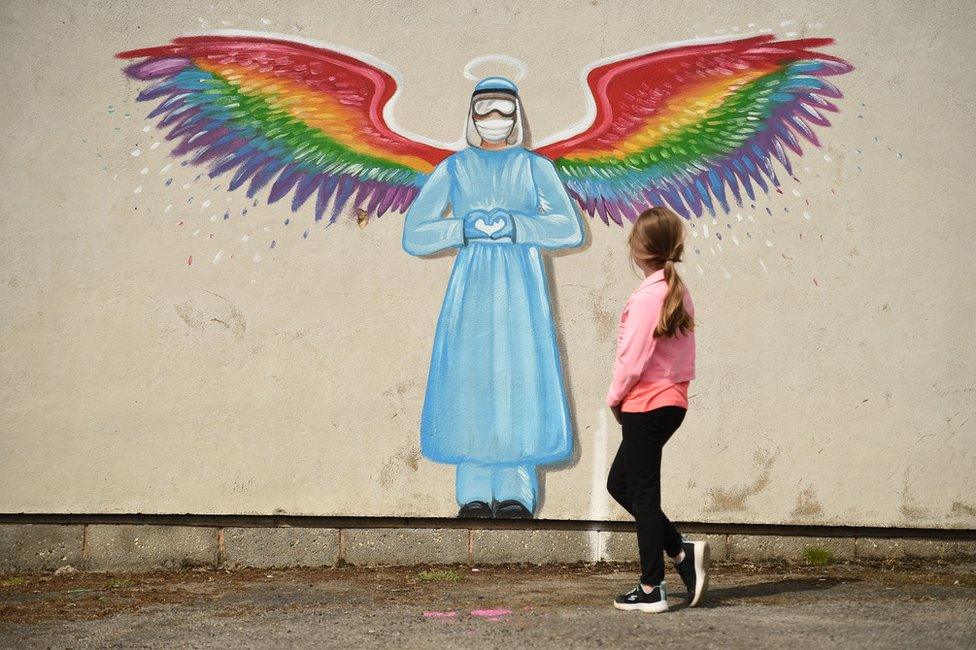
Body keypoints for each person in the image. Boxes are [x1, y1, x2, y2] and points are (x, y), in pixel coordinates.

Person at [402, 77, 585, 519]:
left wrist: (517, 226)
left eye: (504, 110)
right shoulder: (454, 169)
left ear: (516, 116)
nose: (495, 120)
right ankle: (473, 493)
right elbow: (414, 232)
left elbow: (569, 227)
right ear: (472, 115)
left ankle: (518, 493)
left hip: (521, 289)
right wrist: (461, 228)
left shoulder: (535, 168)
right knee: (470, 381)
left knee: (519, 378)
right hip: (470, 293)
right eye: (486, 109)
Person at [605, 206, 709, 612]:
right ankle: (680, 552)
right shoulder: (676, 290)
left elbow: (632, 357)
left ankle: (651, 589)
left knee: (643, 495)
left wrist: (615, 398)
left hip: (646, 404)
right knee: (621, 484)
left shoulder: (651, 295)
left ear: (639, 247)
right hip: (669, 402)